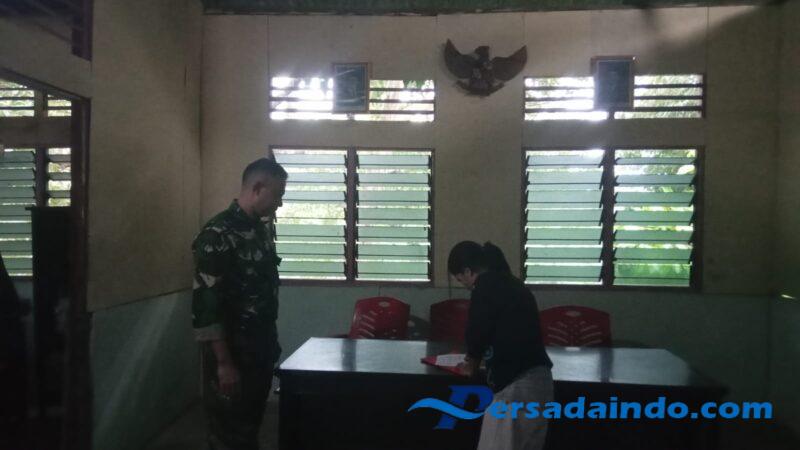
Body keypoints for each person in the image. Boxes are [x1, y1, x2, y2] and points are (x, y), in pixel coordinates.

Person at [192, 158, 287, 450]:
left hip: (258, 353)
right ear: (258, 188)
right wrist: (224, 364)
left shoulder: (259, 231)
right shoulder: (217, 233)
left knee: (248, 430)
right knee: (227, 435)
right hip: (232, 356)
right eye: (277, 195)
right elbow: (207, 308)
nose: (280, 204)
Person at [448, 241, 553, 450]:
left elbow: (478, 331)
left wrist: (471, 363)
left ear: (468, 271)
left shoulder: (485, 286)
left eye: (461, 280)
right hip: (539, 384)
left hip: (516, 389)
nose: (465, 285)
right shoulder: (511, 283)